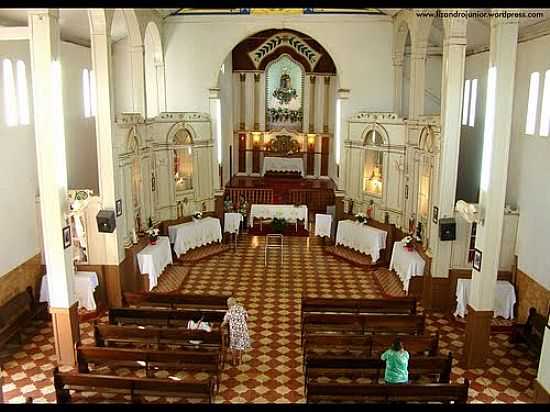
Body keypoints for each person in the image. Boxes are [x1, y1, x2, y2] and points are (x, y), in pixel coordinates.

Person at [221, 297, 251, 366]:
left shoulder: (229, 311)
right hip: (242, 330)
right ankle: (240, 361)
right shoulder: (241, 308)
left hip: (234, 331)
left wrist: (221, 326)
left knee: (233, 346)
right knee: (240, 345)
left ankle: (234, 361)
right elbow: (247, 317)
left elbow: (225, 322)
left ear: (229, 304)